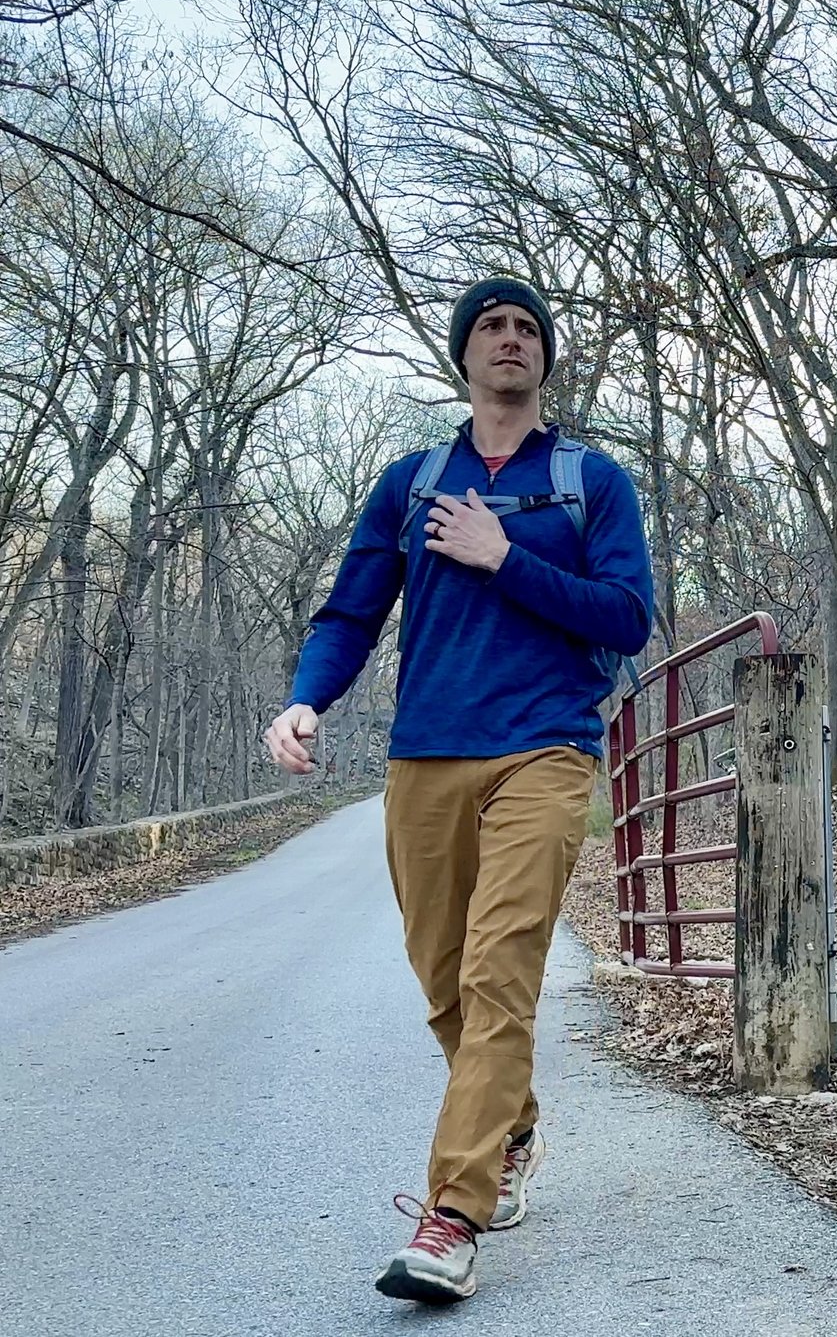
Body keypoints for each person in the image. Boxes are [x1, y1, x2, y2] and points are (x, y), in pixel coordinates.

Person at [265, 277, 655, 1304]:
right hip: (427, 752)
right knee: (441, 975)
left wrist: (503, 556)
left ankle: (453, 1215)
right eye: (492, 326)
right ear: (464, 354)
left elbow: (624, 617)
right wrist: (307, 700)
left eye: (528, 328)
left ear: (545, 357)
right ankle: (513, 1122)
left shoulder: (590, 482)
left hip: (547, 747)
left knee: (498, 971)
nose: (512, 339)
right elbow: (349, 611)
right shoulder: (410, 480)